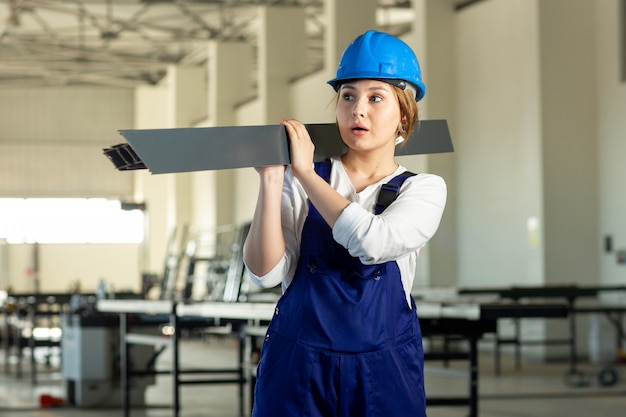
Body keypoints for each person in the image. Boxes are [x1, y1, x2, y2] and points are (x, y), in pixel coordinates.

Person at [243, 29, 447, 417]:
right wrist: (272, 178)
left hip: (383, 370)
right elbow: (264, 274)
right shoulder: (299, 177)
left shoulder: (423, 190)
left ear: (404, 115)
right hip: (297, 365)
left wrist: (305, 175)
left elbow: (374, 244)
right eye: (348, 96)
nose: (358, 109)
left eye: (376, 98)